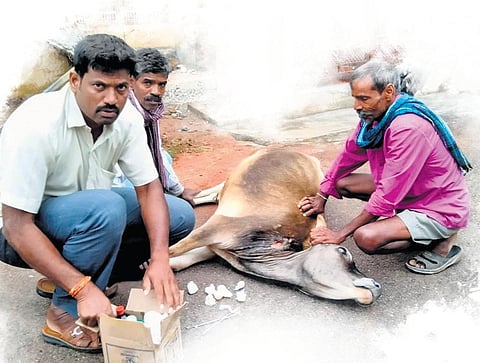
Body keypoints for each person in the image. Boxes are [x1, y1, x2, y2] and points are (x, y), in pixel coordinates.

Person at [0, 34, 181, 352]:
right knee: (106, 208)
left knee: (179, 215)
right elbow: (16, 225)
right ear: (74, 80)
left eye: (121, 88)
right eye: (100, 86)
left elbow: (150, 189)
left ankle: (66, 276)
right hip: (16, 232)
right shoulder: (36, 124)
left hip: (85, 215)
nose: (112, 99)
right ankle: (64, 313)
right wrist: (82, 290)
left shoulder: (127, 119)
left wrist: (161, 259)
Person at [298, 60, 471, 274]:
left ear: (388, 92)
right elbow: (348, 155)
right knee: (341, 183)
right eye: (355, 98)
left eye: (363, 98)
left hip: (438, 206)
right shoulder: (375, 117)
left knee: (365, 237)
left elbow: (388, 194)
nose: (356, 106)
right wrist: (322, 195)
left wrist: (340, 234)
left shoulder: (408, 127)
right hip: (411, 191)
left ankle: (441, 239)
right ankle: (408, 226)